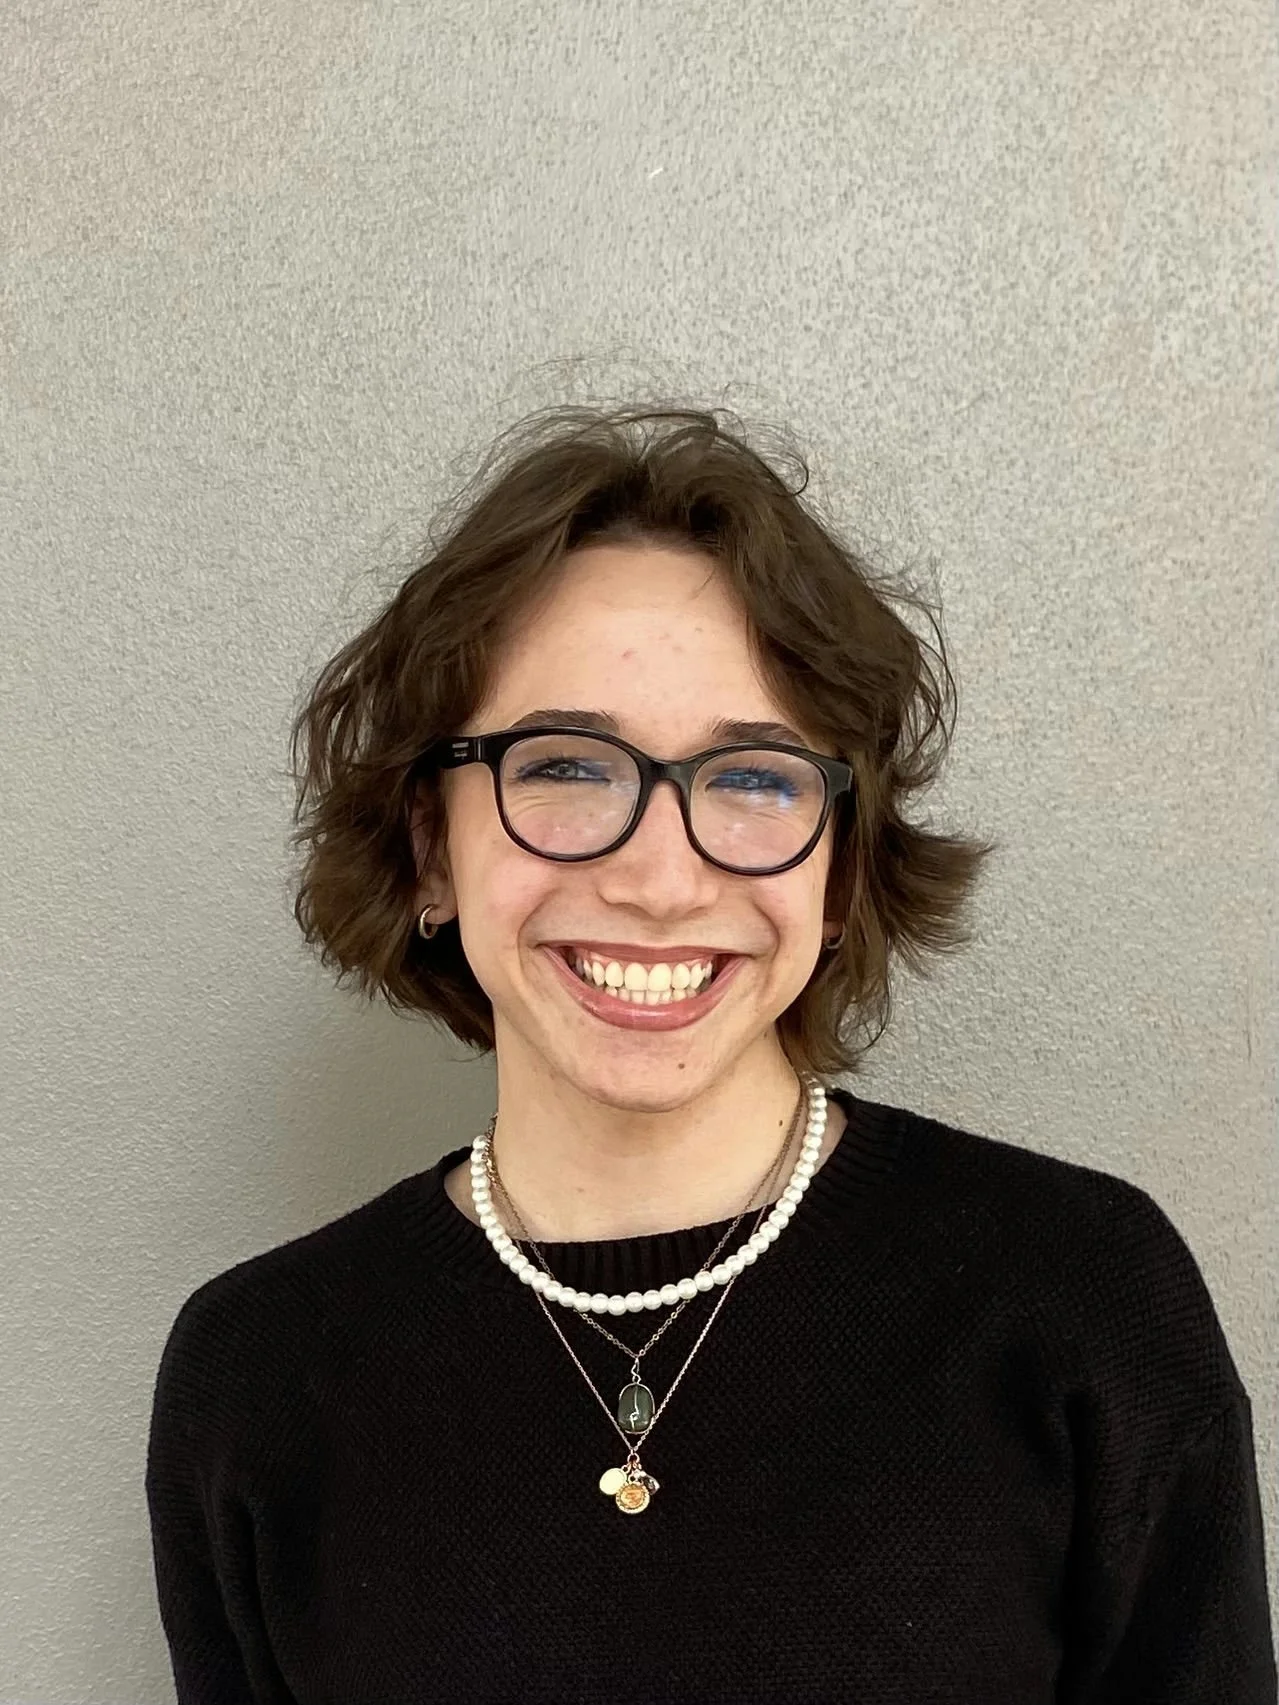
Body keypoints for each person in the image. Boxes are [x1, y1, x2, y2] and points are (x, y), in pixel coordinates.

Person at [145, 404, 1276, 1702]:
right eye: (565, 765)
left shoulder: (1079, 1301)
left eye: (752, 779)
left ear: (842, 868)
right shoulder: (258, 1376)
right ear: (426, 846)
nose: (659, 877)